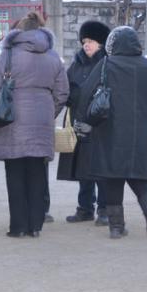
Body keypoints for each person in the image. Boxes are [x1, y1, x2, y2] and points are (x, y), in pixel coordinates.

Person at [75, 26, 147, 239]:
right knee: (138, 176)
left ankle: (116, 227)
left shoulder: (106, 64)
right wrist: (146, 116)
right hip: (141, 133)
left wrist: (83, 120)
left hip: (110, 131)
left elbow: (86, 93)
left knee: (112, 178)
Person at [0, 12, 68, 237]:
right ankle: (35, 226)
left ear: (19, 31)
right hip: (42, 121)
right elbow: (62, 93)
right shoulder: (53, 56)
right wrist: (48, 113)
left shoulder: (8, 54)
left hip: (12, 121)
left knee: (15, 174)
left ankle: (18, 227)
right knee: (37, 173)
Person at [59, 20, 111, 227]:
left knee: (102, 169)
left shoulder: (108, 64)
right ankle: (85, 208)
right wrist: (70, 99)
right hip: (79, 121)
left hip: (102, 124)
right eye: (84, 41)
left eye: (91, 41)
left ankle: (105, 209)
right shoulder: (77, 64)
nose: (86, 45)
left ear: (101, 43)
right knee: (82, 168)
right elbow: (66, 87)